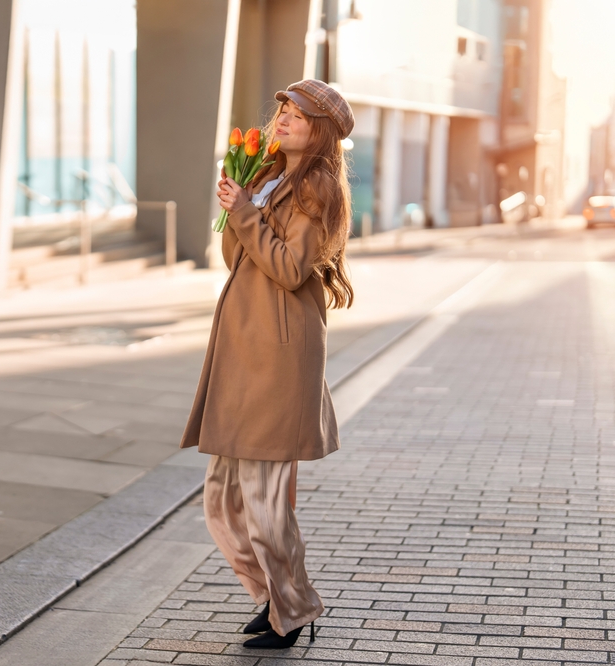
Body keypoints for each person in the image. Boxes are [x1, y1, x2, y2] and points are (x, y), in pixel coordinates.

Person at [179, 79, 355, 650]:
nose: (283, 117)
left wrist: (247, 213)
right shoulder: (265, 172)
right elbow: (239, 258)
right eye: (283, 107)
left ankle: (292, 608)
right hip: (244, 345)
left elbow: (288, 268)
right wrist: (238, 207)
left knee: (263, 498)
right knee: (224, 497)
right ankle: (277, 596)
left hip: (278, 353)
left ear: (319, 128)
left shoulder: (320, 188)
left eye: (298, 113)